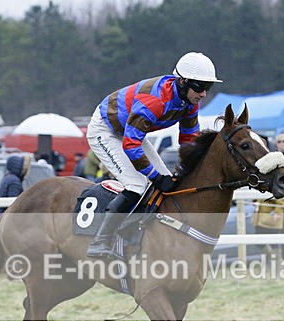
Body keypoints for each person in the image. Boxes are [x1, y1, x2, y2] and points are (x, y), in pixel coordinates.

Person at [85, 51, 222, 257]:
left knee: (167, 181)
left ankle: (147, 235)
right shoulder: (154, 101)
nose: (203, 94)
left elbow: (188, 139)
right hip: (105, 130)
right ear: (183, 81)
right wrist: (156, 178)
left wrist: (190, 170)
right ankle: (101, 240)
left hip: (128, 129)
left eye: (208, 87)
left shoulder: (190, 103)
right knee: (138, 185)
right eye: (200, 87)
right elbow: (131, 146)